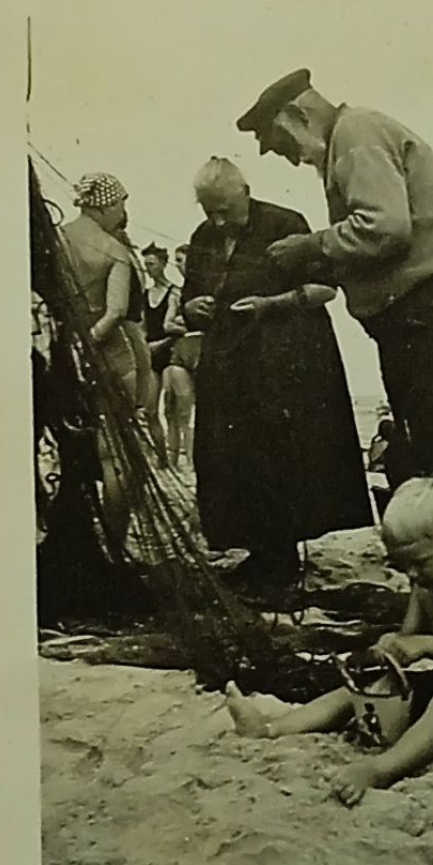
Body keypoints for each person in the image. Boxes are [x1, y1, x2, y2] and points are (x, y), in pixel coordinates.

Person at [236, 69, 433, 563]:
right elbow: (377, 243)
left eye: (281, 144)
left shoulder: (355, 136)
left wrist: (313, 244)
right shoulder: (350, 140)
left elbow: (385, 228)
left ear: (297, 116)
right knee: (431, 457)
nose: (291, 158)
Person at [225, 477, 433, 806]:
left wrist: (425, 644)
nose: (412, 574)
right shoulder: (424, 586)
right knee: (364, 687)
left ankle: (379, 770)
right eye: (403, 565)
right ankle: (270, 728)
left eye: (420, 562)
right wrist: (390, 647)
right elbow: (408, 640)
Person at [180, 157, 372, 588]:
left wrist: (272, 305)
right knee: (230, 455)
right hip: (228, 362)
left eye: (225, 210)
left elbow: (326, 290)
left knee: (277, 453)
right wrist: (192, 307)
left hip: (283, 361)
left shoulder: (285, 222)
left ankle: (281, 555)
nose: (217, 219)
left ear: (244, 192)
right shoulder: (202, 236)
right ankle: (258, 550)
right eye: (209, 210)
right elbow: (188, 297)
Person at [59, 171, 152, 547]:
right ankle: (116, 543)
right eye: (121, 203)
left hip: (64, 355)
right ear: (106, 204)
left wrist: (73, 345)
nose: (123, 211)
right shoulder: (115, 251)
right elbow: (115, 313)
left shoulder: (56, 239)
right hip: (113, 358)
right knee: (118, 460)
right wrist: (91, 342)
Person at [161, 243, 202, 470]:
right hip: (183, 348)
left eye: (182, 260)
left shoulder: (207, 283)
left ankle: (198, 462)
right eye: (176, 260)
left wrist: (182, 320)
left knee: (203, 410)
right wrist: (184, 322)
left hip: (203, 345)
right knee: (182, 410)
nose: (179, 265)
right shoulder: (178, 291)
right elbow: (168, 323)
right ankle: (184, 463)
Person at [140, 242, 175, 466]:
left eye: (152, 264)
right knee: (150, 410)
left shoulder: (174, 292)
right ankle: (161, 457)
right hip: (151, 353)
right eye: (146, 265)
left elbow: (176, 329)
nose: (149, 269)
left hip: (169, 352)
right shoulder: (146, 294)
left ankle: (174, 455)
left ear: (163, 264)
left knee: (172, 410)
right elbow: (142, 326)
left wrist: (161, 344)